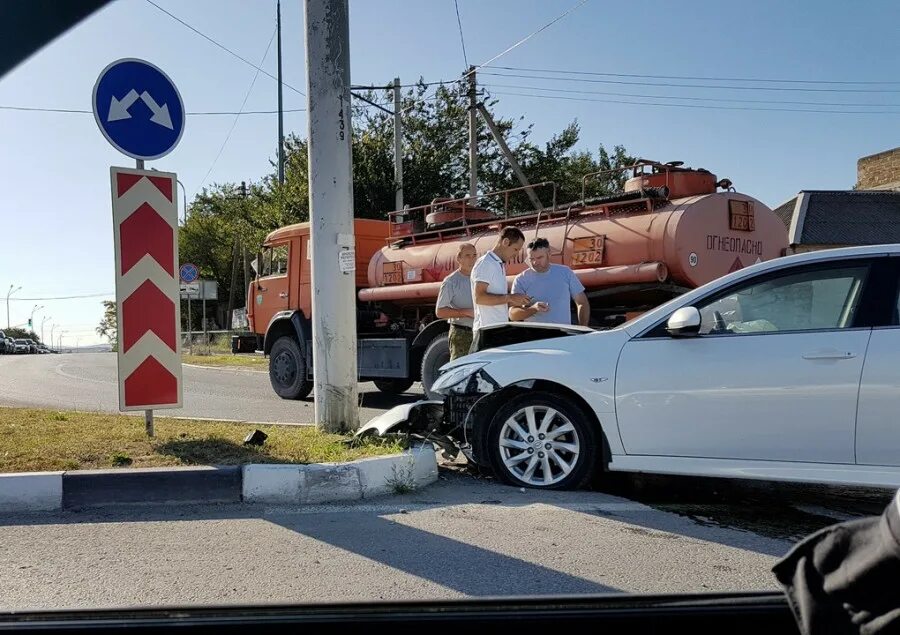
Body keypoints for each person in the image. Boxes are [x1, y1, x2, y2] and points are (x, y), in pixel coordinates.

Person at [508, 237, 591, 326]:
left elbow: (582, 302)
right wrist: (534, 309)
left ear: (549, 254)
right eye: (531, 259)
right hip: (535, 336)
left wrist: (583, 329)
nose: (535, 262)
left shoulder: (565, 273)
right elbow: (513, 314)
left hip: (563, 334)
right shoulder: (521, 279)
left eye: (539, 257)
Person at [470, 227, 530, 340]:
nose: (516, 254)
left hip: (496, 330)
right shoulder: (486, 263)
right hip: (487, 332)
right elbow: (480, 298)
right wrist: (510, 298)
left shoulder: (498, 264)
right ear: (505, 242)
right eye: (515, 249)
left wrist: (514, 300)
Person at [435, 243, 477, 360]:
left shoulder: (480, 278)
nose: (472, 259)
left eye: (474, 255)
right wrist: (466, 312)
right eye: (467, 256)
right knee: (460, 371)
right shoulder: (451, 282)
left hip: (480, 332)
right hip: (461, 334)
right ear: (459, 258)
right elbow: (440, 311)